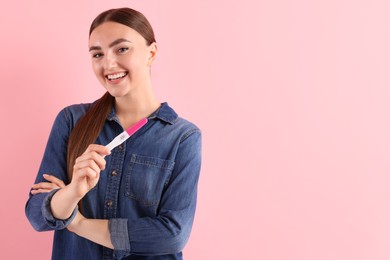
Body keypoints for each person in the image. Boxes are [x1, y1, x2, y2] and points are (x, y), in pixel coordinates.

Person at [25, 7, 202, 260]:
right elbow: (36, 214)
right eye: (97, 54)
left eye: (122, 49)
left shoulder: (183, 137)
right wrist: (74, 191)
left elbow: (171, 235)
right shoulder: (71, 121)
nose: (108, 64)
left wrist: (76, 222)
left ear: (151, 53)